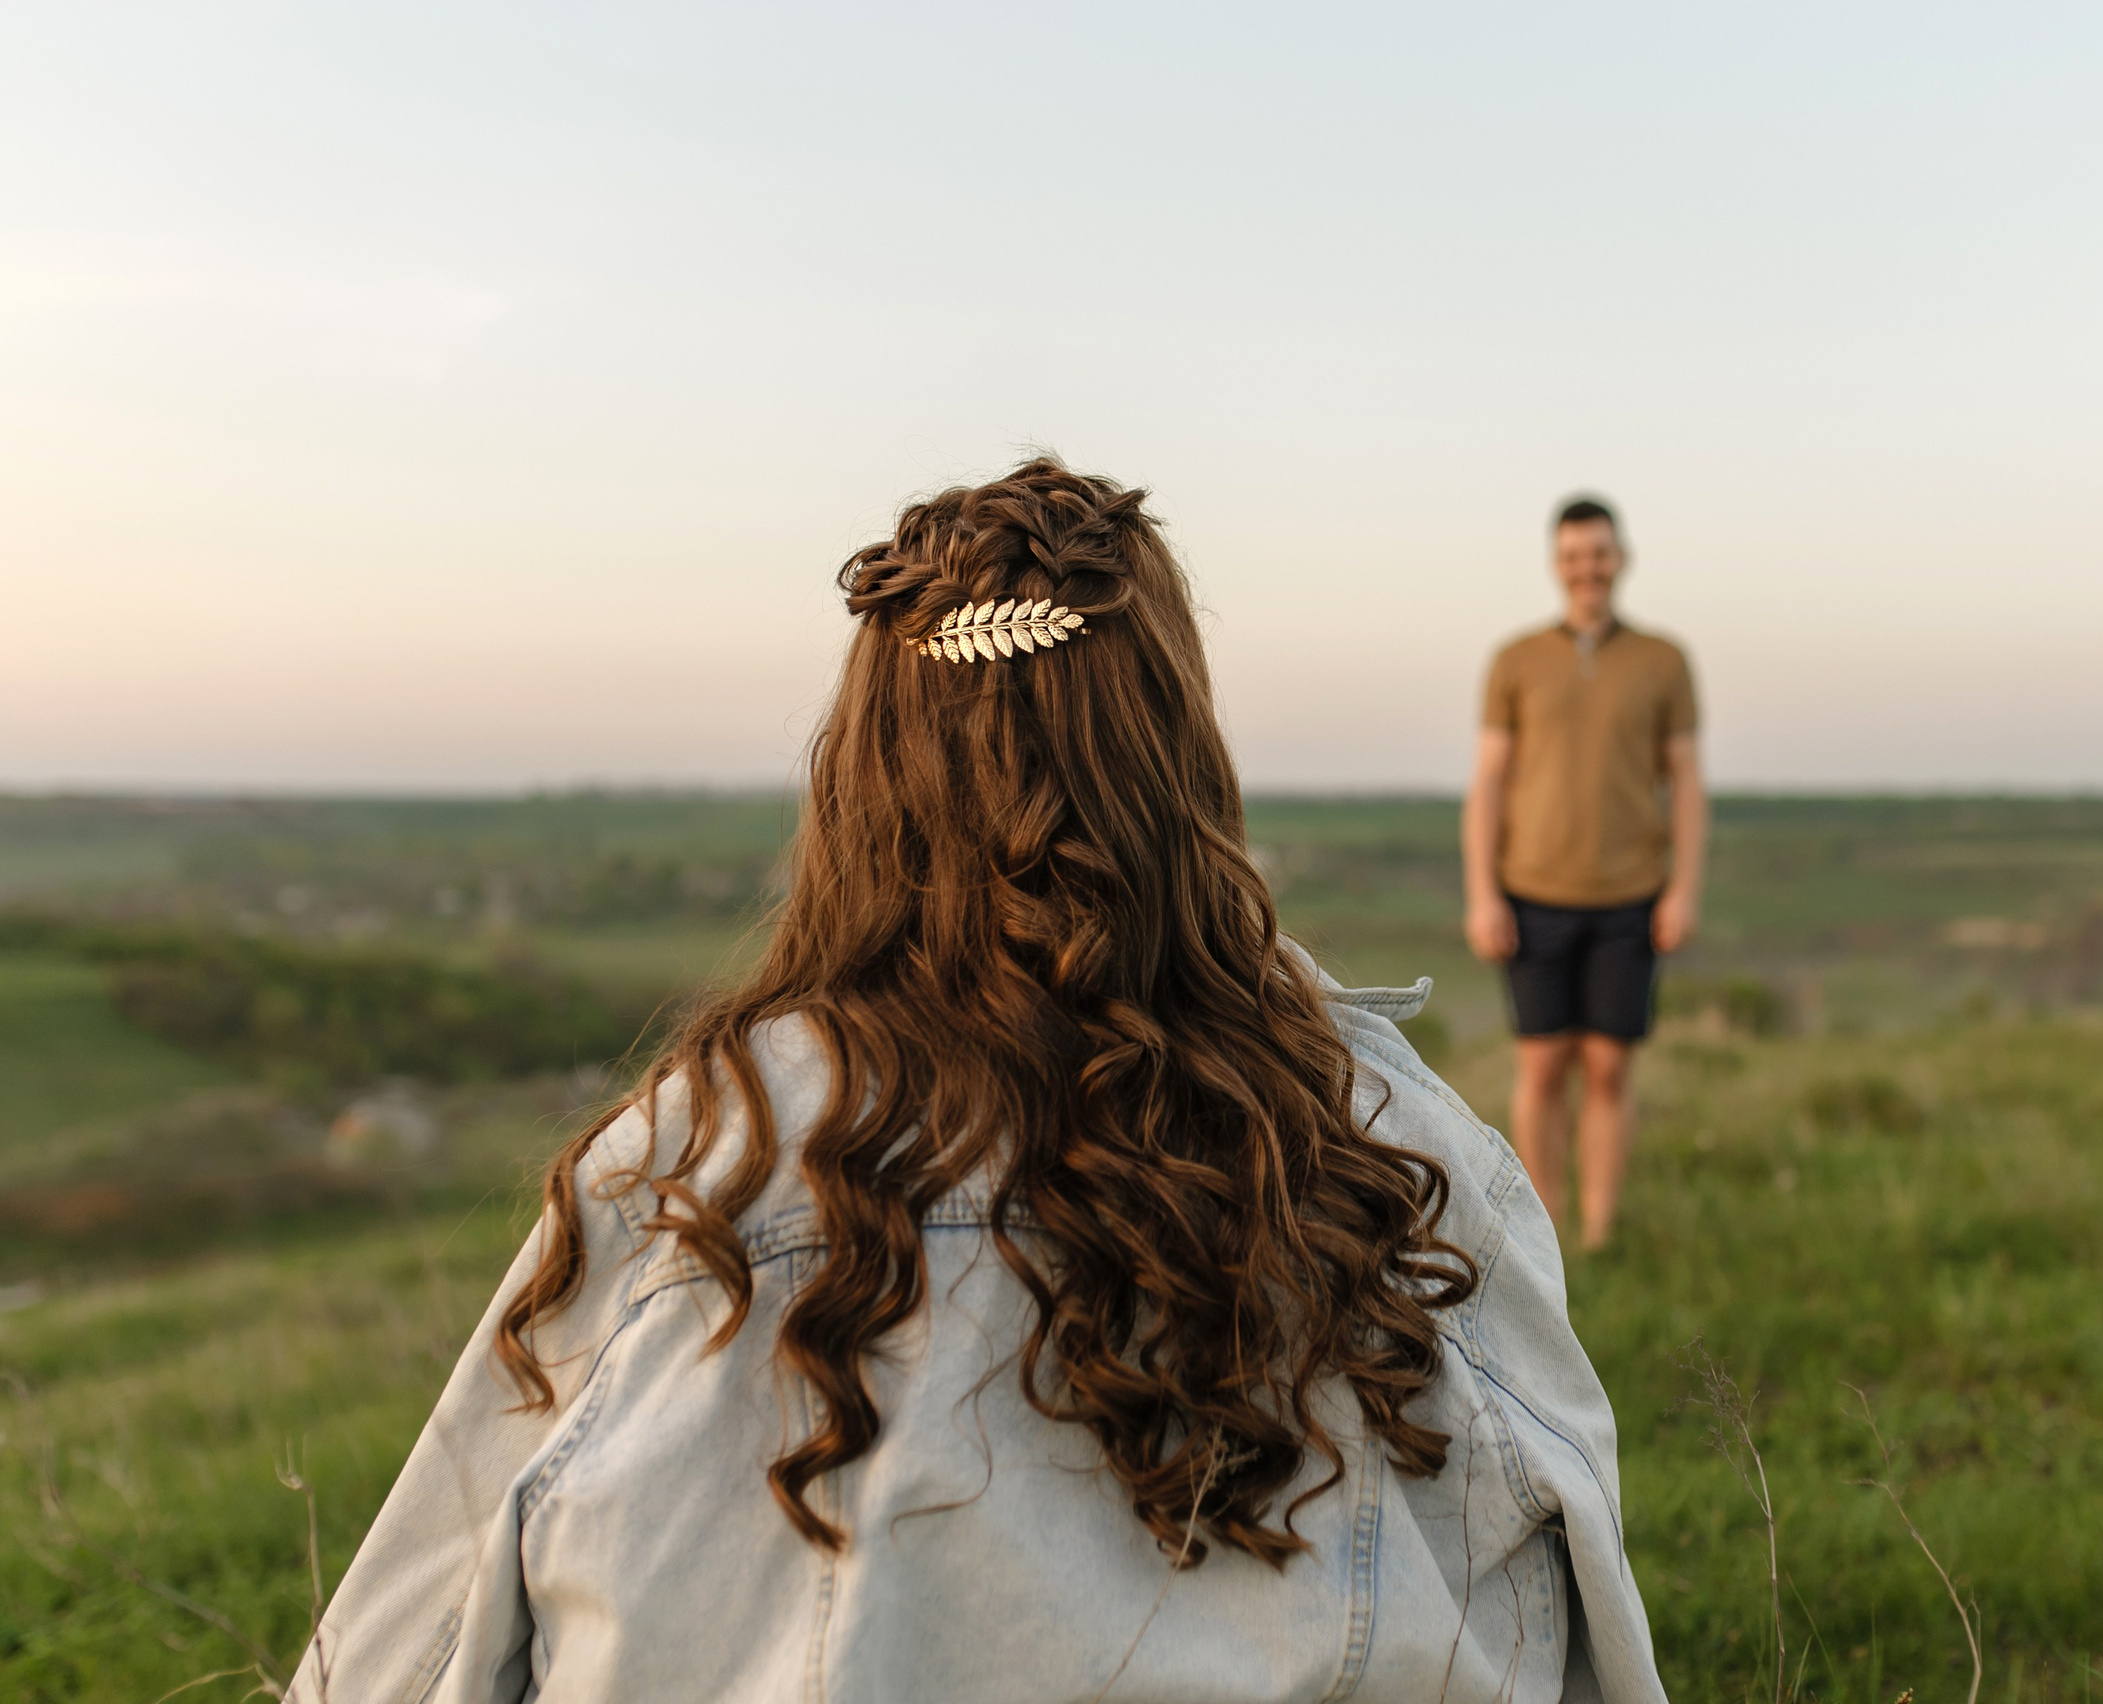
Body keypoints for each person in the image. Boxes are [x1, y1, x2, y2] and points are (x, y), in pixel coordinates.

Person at [290, 461, 1666, 1704]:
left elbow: (402, 1655)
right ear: (1175, 755)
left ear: (867, 773)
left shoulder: (684, 1167)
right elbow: (1581, 1611)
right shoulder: (1395, 1141)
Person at [1462, 496, 1706, 1253]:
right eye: (1573, 556)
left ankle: (1599, 1233)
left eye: (1598, 554)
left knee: (1607, 1069)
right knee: (1540, 1067)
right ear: (1556, 563)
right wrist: (1482, 893)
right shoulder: (1515, 659)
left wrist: (1683, 888)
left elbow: (1687, 782)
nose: (1587, 569)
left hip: (1630, 894)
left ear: (1620, 558)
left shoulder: (1665, 660)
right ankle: (1546, 1233)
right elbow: (1490, 781)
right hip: (1532, 892)